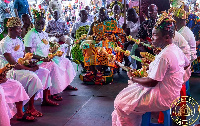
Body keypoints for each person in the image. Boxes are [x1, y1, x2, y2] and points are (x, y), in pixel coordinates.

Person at [112, 15, 189, 126]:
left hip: (163, 97)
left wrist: (133, 78)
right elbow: (186, 65)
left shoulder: (165, 55)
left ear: (166, 37)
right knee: (126, 95)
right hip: (173, 93)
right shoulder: (175, 49)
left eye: (154, 35)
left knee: (121, 103)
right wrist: (172, 78)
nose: (151, 38)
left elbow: (152, 82)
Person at [0, 17, 57, 116]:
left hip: (21, 67)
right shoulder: (5, 43)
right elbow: (14, 64)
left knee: (45, 72)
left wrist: (31, 63)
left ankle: (45, 99)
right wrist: (30, 69)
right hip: (10, 70)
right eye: (18, 28)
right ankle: (30, 107)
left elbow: (23, 57)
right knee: (32, 77)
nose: (21, 30)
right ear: (10, 29)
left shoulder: (19, 40)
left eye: (20, 28)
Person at [24, 9, 77, 101]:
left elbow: (46, 48)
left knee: (66, 61)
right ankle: (52, 93)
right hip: (37, 61)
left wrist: (54, 51)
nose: (40, 25)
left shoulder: (44, 33)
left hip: (47, 58)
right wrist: (42, 58)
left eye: (42, 23)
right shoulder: (30, 34)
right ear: (34, 22)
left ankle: (65, 84)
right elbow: (27, 53)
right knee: (54, 66)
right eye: (38, 23)